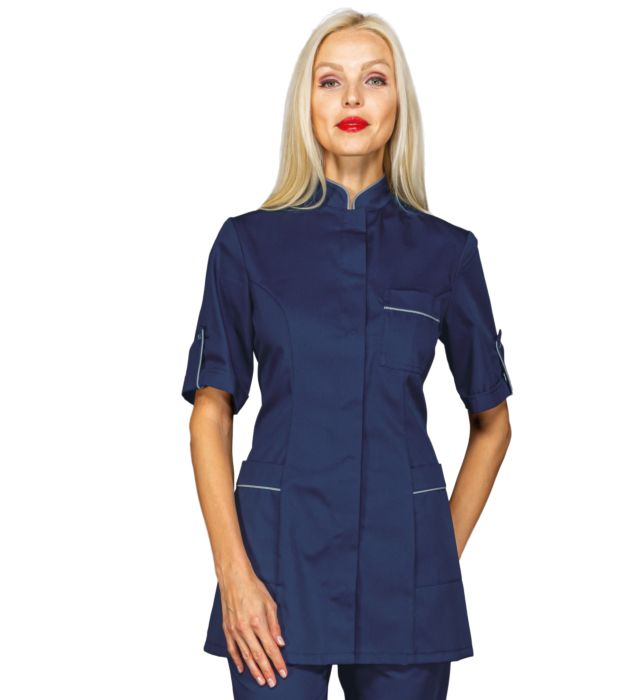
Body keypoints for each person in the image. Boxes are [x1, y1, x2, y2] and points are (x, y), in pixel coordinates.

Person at [181, 9, 513, 699]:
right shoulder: (246, 245)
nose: (353, 97)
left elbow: (493, 422)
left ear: (399, 104)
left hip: (406, 580)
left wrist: (435, 555)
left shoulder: (449, 252)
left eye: (375, 79)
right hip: (275, 571)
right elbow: (210, 414)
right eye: (330, 81)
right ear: (306, 103)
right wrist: (234, 575)